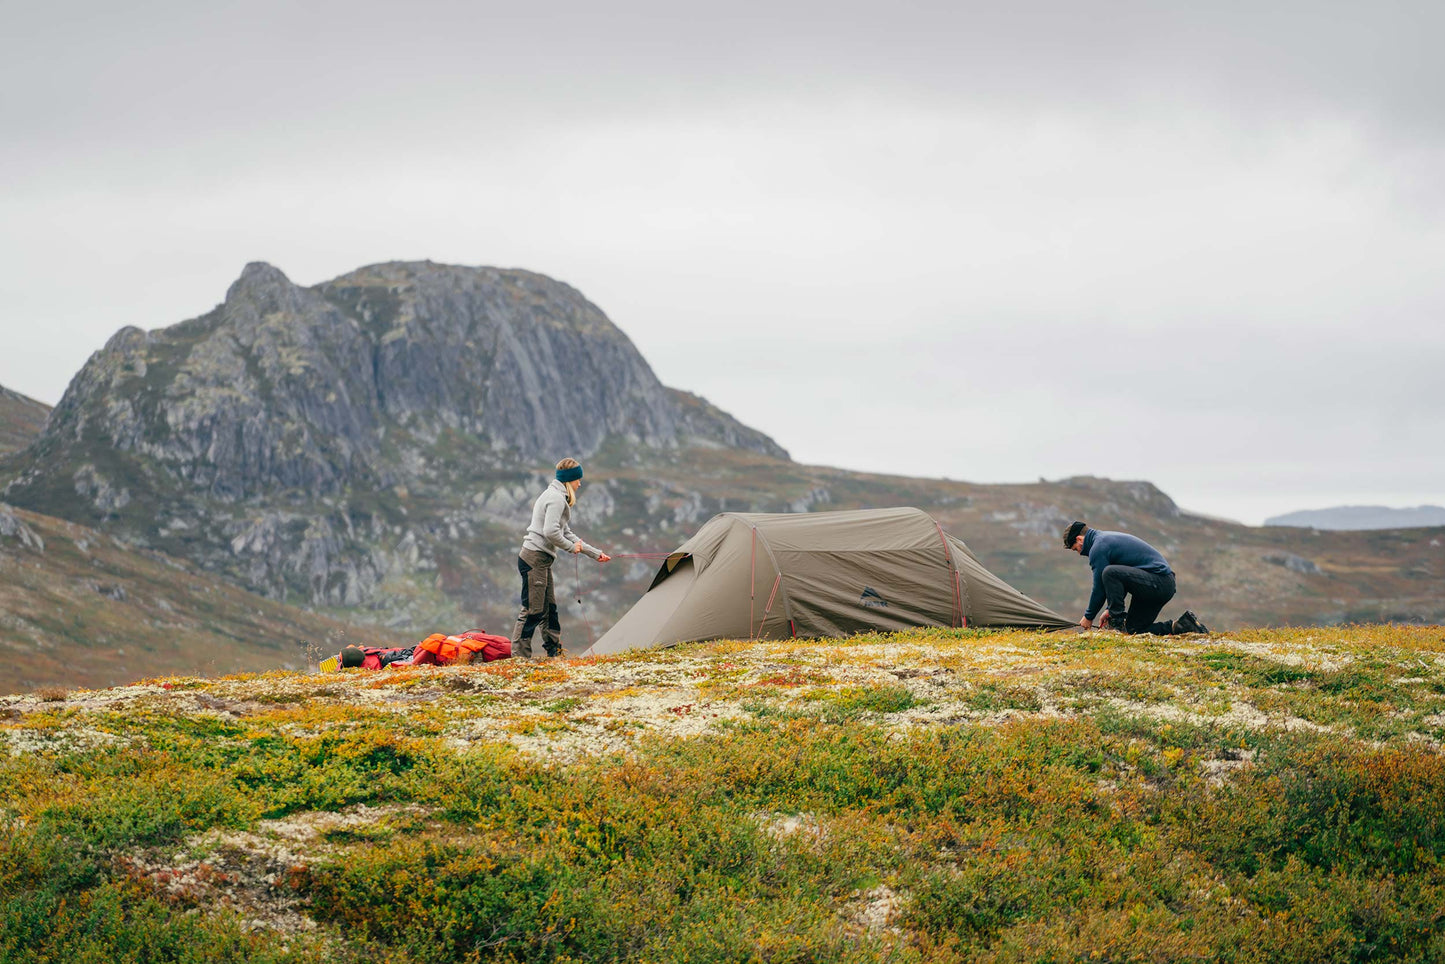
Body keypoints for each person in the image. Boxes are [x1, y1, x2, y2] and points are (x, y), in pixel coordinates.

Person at [511, 458, 611, 658]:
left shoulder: (556, 496)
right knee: (533, 610)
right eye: (577, 480)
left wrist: (594, 553)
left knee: (549, 610)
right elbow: (550, 532)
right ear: (569, 480)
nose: (579, 484)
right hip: (534, 558)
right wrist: (570, 548)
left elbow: (566, 532)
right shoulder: (556, 498)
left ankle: (554, 654)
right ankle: (519, 658)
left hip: (541, 560)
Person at [1063, 520, 1208, 635]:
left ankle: (1116, 625)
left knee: (1108, 572)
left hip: (1159, 582)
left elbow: (1100, 585)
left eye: (1076, 549)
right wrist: (1109, 609)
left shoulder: (1098, 547)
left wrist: (1089, 616)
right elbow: (1123, 579)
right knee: (1133, 630)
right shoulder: (1103, 540)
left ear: (1079, 539)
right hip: (1157, 585)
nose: (1080, 553)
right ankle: (1183, 625)